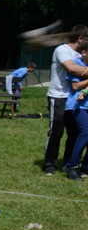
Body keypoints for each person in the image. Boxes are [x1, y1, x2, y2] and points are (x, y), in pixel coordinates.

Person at [43, 25, 88, 175]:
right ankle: (50, 165)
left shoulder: (80, 54)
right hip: (58, 95)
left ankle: (68, 163)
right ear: (80, 38)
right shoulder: (62, 50)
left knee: (74, 132)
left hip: (72, 98)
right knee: (56, 131)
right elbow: (71, 68)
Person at [63, 53, 88, 180]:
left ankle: (85, 168)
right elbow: (75, 86)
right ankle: (72, 166)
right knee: (85, 132)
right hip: (79, 105)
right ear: (84, 52)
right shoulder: (76, 65)